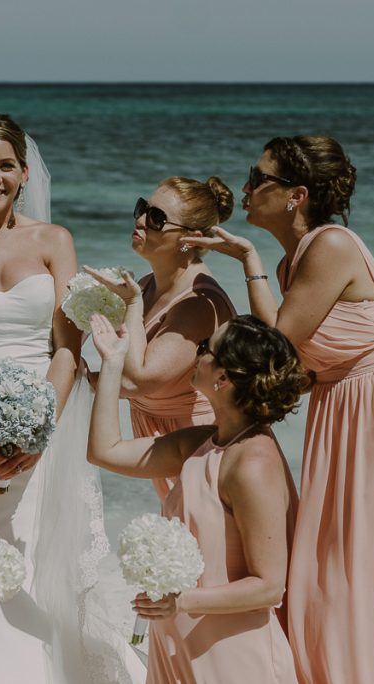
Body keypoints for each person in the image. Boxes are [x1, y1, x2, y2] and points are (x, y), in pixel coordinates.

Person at [184, 135, 374, 683]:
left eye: (259, 178)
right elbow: (292, 369)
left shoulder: (330, 245)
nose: (245, 187)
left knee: (367, 558)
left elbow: (279, 346)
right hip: (342, 408)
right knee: (333, 556)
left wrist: (248, 260)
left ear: (297, 195)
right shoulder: (294, 263)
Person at [0, 113, 141, 683]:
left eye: (5, 166)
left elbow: (67, 349)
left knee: (38, 555)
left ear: (25, 172)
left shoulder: (54, 241)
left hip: (43, 420)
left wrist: (39, 432)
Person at [88, 313, 306, 684]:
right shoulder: (203, 443)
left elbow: (269, 587)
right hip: (180, 642)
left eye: (205, 348)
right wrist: (112, 362)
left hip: (231, 658)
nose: (195, 353)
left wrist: (180, 602)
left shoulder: (253, 464)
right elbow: (104, 451)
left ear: (223, 378)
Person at [86, 175, 236, 498]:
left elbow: (136, 381)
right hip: (162, 439)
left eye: (156, 218)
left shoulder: (198, 303)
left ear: (190, 239)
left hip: (197, 446)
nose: (140, 220)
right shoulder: (147, 284)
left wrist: (82, 379)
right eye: (142, 208)